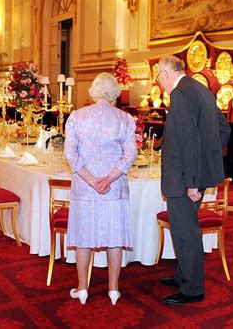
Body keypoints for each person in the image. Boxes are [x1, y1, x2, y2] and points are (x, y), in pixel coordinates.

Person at [155, 56, 230, 305]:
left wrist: (192, 181)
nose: (158, 82)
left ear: (166, 74)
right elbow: (223, 129)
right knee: (185, 228)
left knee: (186, 232)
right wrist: (207, 162)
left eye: (157, 76)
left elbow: (187, 140)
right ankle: (183, 276)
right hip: (195, 174)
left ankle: (192, 289)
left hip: (184, 178)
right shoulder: (200, 89)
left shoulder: (180, 94)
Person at [64, 72, 137, 305]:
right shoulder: (124, 119)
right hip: (114, 188)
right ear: (115, 93)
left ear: (94, 91)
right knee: (114, 238)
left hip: (85, 188)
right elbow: (130, 155)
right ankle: (113, 289)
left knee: (84, 239)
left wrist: (92, 180)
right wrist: (109, 178)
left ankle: (82, 288)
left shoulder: (77, 117)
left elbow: (70, 153)